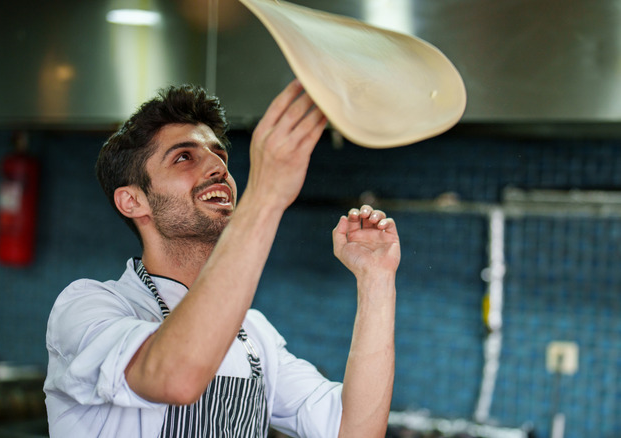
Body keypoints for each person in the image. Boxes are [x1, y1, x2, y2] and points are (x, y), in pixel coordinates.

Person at [43, 79, 400, 438]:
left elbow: (355, 431)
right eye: (184, 157)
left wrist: (377, 279)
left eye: (220, 155)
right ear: (132, 201)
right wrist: (266, 194)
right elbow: (175, 377)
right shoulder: (87, 307)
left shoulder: (252, 334)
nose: (219, 168)